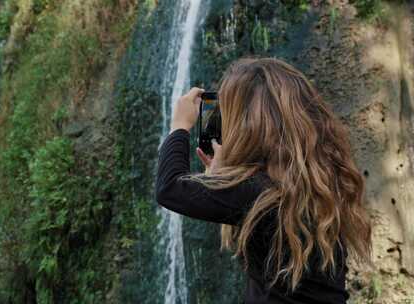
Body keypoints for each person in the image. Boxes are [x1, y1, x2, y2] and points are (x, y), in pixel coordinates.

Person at [155, 57, 372, 303]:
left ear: (249, 125)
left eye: (231, 116)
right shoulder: (318, 182)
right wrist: (222, 177)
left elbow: (169, 188)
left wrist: (180, 126)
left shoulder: (259, 193)